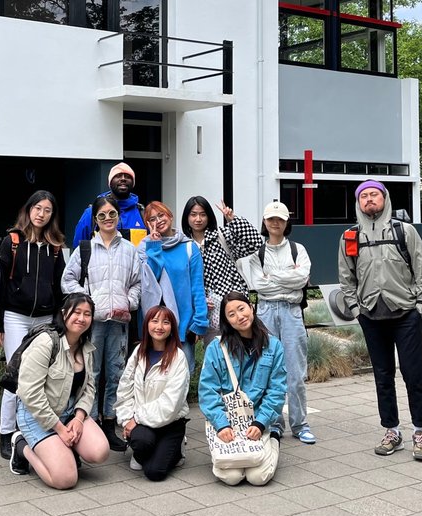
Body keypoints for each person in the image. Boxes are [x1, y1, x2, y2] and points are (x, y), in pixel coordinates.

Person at [336, 180, 422, 461]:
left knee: (414, 375)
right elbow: (346, 277)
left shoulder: (405, 231)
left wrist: (420, 306)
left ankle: (420, 431)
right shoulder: (350, 237)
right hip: (371, 316)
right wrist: (356, 310)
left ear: (384, 199)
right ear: (358, 203)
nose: (369, 200)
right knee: (382, 377)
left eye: (374, 195)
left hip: (406, 315)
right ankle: (392, 430)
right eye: (364, 196)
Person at [61, 194, 142, 451]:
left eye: (112, 214)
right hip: (92, 323)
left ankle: (110, 421)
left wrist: (129, 302)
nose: (108, 219)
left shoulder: (130, 249)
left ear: (119, 217)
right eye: (102, 216)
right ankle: (91, 420)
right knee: (91, 374)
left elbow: (138, 283)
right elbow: (67, 280)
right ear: (95, 220)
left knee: (117, 372)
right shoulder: (85, 249)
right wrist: (87, 301)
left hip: (119, 321)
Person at [9, 293, 111, 488]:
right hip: (37, 416)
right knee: (65, 479)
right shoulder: (46, 343)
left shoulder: (86, 347)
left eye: (87, 314)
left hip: (70, 412)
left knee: (100, 452)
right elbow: (30, 393)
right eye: (76, 312)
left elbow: (90, 388)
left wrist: (79, 419)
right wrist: (59, 429)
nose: (81, 318)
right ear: (64, 314)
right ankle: (22, 447)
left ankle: (64, 450)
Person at [0, 189, 67, 459]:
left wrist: (59, 322)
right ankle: (6, 432)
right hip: (15, 315)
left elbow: (60, 288)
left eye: (47, 210)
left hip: (45, 318)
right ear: (29, 209)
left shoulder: (57, 247)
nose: (41, 214)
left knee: (40, 377)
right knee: (17, 374)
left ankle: (32, 430)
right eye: (38, 208)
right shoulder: (12, 240)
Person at [241, 200, 316, 445]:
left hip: (291, 311)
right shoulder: (257, 253)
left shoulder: (298, 249)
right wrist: (288, 277)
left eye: (280, 219)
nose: (275, 223)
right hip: (264, 312)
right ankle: (272, 422)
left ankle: (300, 423)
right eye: (271, 219)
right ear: (264, 222)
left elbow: (302, 278)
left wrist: (272, 276)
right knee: (266, 368)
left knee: (295, 371)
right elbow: (258, 285)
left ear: (286, 223)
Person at [199, 291, 287, 486]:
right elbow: (207, 390)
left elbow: (277, 390)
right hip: (227, 423)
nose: (239, 316)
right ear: (226, 321)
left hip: (257, 421)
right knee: (231, 478)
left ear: (252, 308)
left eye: (242, 309)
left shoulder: (273, 346)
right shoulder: (216, 348)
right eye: (231, 314)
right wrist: (221, 425)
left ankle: (273, 436)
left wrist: (261, 423)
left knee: (258, 477)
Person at [115, 305, 190, 481]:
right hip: (143, 422)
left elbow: (170, 404)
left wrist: (136, 419)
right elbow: (124, 389)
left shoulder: (178, 357)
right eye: (154, 321)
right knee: (140, 448)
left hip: (171, 422)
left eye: (165, 322)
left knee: (154, 472)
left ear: (172, 327)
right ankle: (148, 449)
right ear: (146, 325)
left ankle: (177, 449)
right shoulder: (139, 352)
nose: (159, 327)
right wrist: (127, 420)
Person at [181, 196, 263, 346]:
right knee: (216, 353)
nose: (198, 219)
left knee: (242, 349)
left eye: (202, 214)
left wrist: (233, 220)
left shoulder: (221, 236)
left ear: (209, 216)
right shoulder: (184, 245)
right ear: (186, 217)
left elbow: (255, 242)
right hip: (207, 310)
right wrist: (198, 301)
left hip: (234, 306)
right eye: (193, 214)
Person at [138, 201, 208, 374]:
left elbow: (197, 288)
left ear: (170, 215)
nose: (158, 220)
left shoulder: (189, 247)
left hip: (184, 324)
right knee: (154, 378)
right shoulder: (143, 248)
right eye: (152, 218)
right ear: (147, 224)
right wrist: (154, 247)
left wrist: (199, 322)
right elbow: (150, 284)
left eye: (161, 215)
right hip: (155, 324)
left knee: (182, 378)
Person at [71, 162, 147, 247]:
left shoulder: (143, 213)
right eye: (118, 176)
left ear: (133, 183)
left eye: (128, 177)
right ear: (110, 183)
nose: (123, 179)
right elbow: (79, 249)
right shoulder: (92, 213)